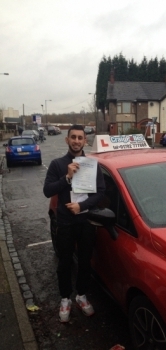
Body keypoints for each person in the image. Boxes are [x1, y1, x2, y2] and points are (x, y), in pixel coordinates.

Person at [43, 124, 105, 323]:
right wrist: (67, 177)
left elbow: (101, 192)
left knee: (85, 261)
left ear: (85, 141)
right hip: (65, 222)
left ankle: (81, 295)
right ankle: (65, 298)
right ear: (67, 140)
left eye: (80, 138)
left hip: (85, 220)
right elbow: (47, 190)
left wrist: (83, 206)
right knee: (65, 262)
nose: (77, 141)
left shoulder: (92, 165)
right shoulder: (57, 164)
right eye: (73, 137)